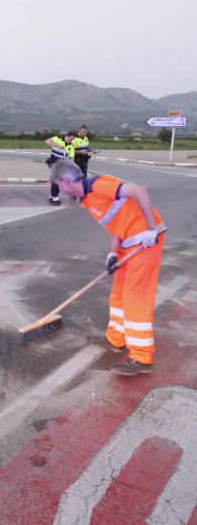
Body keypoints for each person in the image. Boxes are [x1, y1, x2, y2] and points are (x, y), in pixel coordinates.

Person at [49, 159, 166, 375]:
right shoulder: (87, 199)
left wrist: (151, 229)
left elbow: (140, 191)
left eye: (58, 185)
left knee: (136, 297)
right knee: (118, 295)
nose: (59, 189)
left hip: (145, 241)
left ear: (65, 181)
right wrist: (113, 252)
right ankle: (115, 339)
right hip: (126, 242)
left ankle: (141, 357)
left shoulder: (98, 186)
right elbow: (115, 224)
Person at [45, 130, 76, 205]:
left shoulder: (71, 146)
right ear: (67, 136)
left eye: (72, 139)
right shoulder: (58, 138)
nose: (71, 140)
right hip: (53, 162)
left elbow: (72, 158)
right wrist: (57, 145)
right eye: (70, 139)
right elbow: (47, 141)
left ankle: (52, 197)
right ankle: (55, 197)